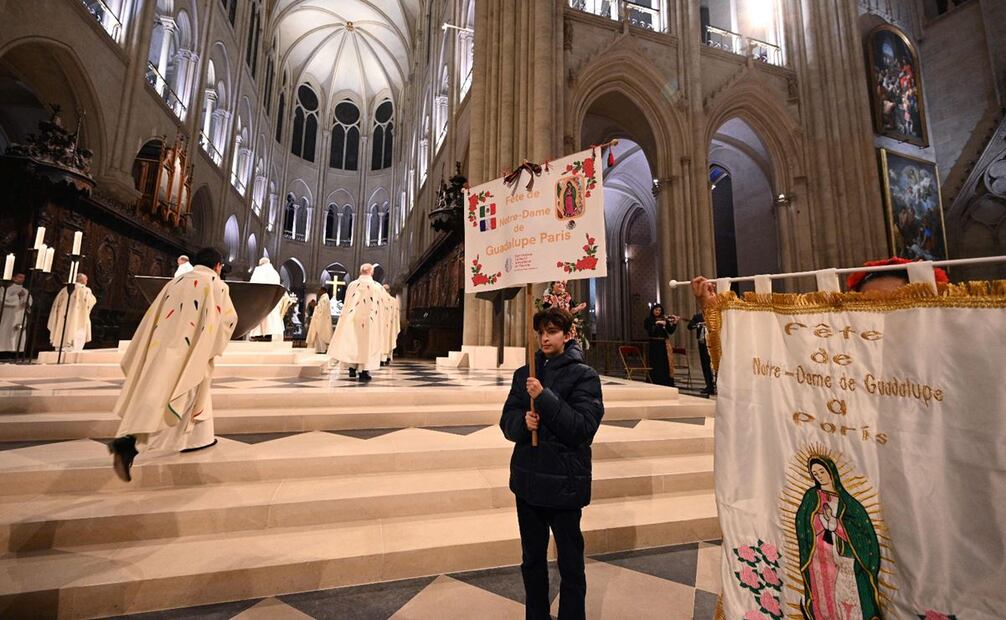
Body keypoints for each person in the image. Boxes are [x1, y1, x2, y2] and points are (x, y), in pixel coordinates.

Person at [500, 307, 604, 620]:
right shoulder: (525, 373)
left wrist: (544, 397)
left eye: (553, 331)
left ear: (568, 334)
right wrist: (523, 422)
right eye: (542, 332)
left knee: (570, 563)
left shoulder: (584, 375)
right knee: (532, 559)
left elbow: (582, 429)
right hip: (529, 481)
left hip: (564, 482)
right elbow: (507, 422)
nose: (545, 338)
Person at [109, 247, 237, 482]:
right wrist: (213, 346)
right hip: (190, 353)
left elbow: (153, 314)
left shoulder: (175, 283)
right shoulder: (216, 284)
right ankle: (131, 445)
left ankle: (129, 440)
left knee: (153, 394)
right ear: (217, 266)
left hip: (160, 348)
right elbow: (228, 320)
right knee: (180, 397)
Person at [327, 264, 386, 381]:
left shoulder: (352, 285)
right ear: (372, 273)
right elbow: (380, 308)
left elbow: (347, 304)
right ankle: (363, 371)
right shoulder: (377, 287)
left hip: (352, 319)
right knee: (366, 344)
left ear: (360, 272)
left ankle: (352, 368)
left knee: (352, 342)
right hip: (370, 321)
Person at [47, 273, 96, 352]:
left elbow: (56, 305)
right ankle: (71, 346)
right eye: (86, 279)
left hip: (63, 316)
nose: (87, 281)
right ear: (82, 280)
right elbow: (91, 301)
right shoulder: (85, 290)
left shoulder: (64, 290)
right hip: (78, 317)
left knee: (62, 327)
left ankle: (60, 345)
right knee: (77, 328)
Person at [248, 257, 285, 341]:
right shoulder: (275, 273)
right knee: (270, 319)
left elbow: (253, 286)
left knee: (260, 319)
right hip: (273, 302)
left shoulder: (259, 270)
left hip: (260, 300)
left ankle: (258, 335)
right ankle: (268, 335)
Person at [642, 303, 678, 387]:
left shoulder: (664, 319)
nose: (658, 312)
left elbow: (670, 331)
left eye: (659, 310)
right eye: (656, 310)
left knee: (665, 363)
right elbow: (650, 331)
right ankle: (654, 381)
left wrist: (675, 322)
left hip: (663, 344)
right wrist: (657, 323)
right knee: (655, 363)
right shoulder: (648, 320)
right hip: (654, 344)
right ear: (653, 310)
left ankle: (665, 381)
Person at [687, 311, 716, 396]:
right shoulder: (698, 316)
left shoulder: (714, 314)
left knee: (716, 365)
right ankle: (709, 386)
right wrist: (699, 324)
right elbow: (689, 326)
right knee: (705, 364)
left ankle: (718, 385)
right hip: (703, 343)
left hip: (714, 342)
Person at [0, 273, 30, 354]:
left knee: (18, 332)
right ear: (13, 278)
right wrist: (17, 297)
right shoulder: (5, 289)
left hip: (20, 314)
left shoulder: (26, 291)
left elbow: (29, 301)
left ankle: (15, 352)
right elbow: (3, 300)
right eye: (20, 277)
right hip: (8, 314)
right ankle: (3, 351)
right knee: (6, 330)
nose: (22, 279)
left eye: (23, 277)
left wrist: (27, 304)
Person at [305, 287, 333, 353]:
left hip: (321, 320)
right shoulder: (324, 298)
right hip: (320, 319)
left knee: (320, 335)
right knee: (318, 335)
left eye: (320, 290)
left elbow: (321, 310)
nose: (318, 292)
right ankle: (319, 349)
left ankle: (321, 349)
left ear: (323, 291)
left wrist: (315, 306)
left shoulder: (324, 298)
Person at [381, 283, 400, 366]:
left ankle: (381, 359)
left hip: (381, 326)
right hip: (390, 326)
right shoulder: (394, 301)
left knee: (382, 340)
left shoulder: (380, 299)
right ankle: (388, 357)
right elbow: (397, 316)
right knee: (389, 338)